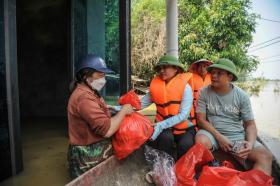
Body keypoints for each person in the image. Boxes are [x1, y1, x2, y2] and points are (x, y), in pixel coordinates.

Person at [195, 58, 273, 175]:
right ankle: (211, 173)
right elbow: (201, 120)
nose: (213, 76)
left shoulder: (242, 96)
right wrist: (220, 138)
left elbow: (250, 125)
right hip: (213, 134)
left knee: (265, 156)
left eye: (219, 73)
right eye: (213, 72)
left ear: (230, 77)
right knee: (200, 141)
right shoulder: (204, 92)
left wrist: (250, 144)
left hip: (236, 137)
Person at [67, 54, 134, 179]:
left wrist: (108, 109)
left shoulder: (90, 91)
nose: (104, 78)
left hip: (94, 148)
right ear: (86, 75)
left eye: (104, 74)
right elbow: (107, 130)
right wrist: (124, 110)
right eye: (100, 74)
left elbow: (94, 110)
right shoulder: (84, 98)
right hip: (88, 155)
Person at [141, 55, 196, 160]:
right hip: (165, 127)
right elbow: (141, 104)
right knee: (165, 138)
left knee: (185, 144)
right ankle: (166, 170)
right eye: (160, 68)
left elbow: (183, 115)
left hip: (184, 128)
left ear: (175, 69)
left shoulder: (186, 88)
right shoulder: (156, 87)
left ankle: (180, 172)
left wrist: (161, 125)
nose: (161, 71)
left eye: (165, 67)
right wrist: (121, 108)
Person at [188, 59, 213, 124]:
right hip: (195, 106)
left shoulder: (212, 78)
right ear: (196, 68)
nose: (202, 69)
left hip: (210, 106)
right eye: (200, 66)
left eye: (205, 66)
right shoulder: (191, 78)